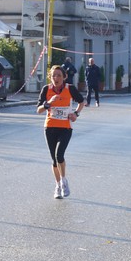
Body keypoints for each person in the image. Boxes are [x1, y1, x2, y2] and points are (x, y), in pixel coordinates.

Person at [37, 65, 85, 199]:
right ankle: (57, 185)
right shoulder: (46, 89)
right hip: (50, 127)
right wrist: (48, 103)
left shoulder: (70, 89)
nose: (56, 78)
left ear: (64, 77)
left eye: (58, 75)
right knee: (53, 160)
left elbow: (82, 102)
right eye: (53, 76)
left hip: (65, 128)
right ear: (50, 77)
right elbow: (39, 110)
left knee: (59, 155)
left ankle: (64, 181)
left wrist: (76, 113)